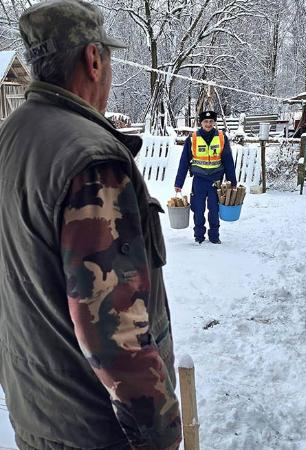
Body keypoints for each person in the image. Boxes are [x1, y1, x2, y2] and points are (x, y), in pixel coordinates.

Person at [0, 0, 181, 448]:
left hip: (36, 412)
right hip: (97, 430)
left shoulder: (12, 136)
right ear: (93, 59)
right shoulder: (90, 159)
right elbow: (113, 331)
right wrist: (161, 432)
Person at [174, 110, 237, 244]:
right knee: (198, 209)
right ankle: (199, 236)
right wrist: (178, 183)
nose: (208, 124)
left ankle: (214, 236)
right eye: (205, 121)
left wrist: (232, 181)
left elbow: (228, 161)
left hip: (216, 181)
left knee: (214, 210)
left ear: (214, 122)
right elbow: (184, 162)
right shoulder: (192, 139)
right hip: (199, 180)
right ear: (201, 122)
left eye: (211, 121)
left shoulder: (221, 137)